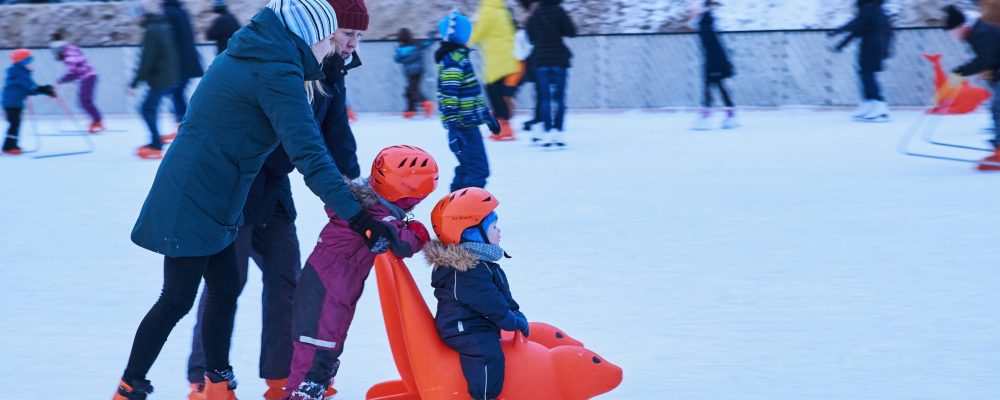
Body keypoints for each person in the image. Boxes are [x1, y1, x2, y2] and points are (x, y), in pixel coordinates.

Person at [113, 0, 405, 398]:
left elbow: (328, 141)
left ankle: (218, 383)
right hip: (197, 193)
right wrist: (359, 217)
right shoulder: (277, 70)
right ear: (313, 38)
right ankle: (132, 386)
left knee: (225, 286)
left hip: (224, 191)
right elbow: (309, 153)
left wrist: (355, 198)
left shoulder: (265, 52)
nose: (330, 53)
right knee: (177, 298)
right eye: (330, 41)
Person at [285, 146, 437, 400]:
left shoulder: (367, 207)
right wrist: (419, 231)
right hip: (324, 289)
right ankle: (300, 394)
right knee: (317, 349)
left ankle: (313, 387)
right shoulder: (375, 216)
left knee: (327, 347)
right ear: (406, 193)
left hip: (334, 287)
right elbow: (402, 244)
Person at [184, 148, 302, 400]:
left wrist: (355, 193)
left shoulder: (324, 104)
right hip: (230, 190)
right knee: (225, 286)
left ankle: (284, 375)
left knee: (287, 278)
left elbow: (335, 133)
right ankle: (205, 380)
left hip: (274, 193)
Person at [425, 187, 529, 400]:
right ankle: (484, 396)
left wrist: (516, 314)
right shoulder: (465, 271)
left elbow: (501, 296)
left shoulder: (480, 264)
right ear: (471, 233)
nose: (499, 231)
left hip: (477, 322)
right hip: (462, 328)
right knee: (488, 355)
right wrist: (510, 320)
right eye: (493, 227)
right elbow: (489, 302)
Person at [437, 10, 501, 192]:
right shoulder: (453, 61)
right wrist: (453, 127)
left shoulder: (459, 57)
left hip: (467, 125)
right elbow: (449, 95)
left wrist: (487, 116)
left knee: (467, 168)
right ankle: (467, 208)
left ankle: (453, 205)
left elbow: (472, 94)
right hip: (462, 127)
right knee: (478, 170)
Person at [942, 5, 1000, 169]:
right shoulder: (976, 32)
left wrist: (960, 72)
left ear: (961, 26)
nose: (953, 36)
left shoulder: (981, 33)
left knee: (998, 108)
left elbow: (985, 60)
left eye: (952, 31)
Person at [829, 0, 894, 122]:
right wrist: (841, 44)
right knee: (865, 73)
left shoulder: (870, 7)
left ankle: (879, 106)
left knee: (868, 74)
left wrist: (839, 31)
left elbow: (857, 24)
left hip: (873, 44)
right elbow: (858, 29)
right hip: (871, 44)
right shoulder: (870, 7)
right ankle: (869, 103)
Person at [129, 7, 180, 160]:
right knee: (150, 108)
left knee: (146, 109)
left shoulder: (152, 31)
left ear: (141, 17)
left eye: (136, 18)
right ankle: (155, 141)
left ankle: (156, 145)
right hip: (169, 76)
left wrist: (134, 83)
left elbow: (147, 59)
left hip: (161, 78)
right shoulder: (162, 26)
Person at [526, 0, 576, 145]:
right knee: (560, 98)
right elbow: (571, 31)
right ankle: (558, 132)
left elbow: (530, 37)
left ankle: (546, 132)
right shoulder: (560, 11)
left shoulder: (535, 13)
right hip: (559, 60)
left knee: (544, 98)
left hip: (540, 60)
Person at [469, 0, 521, 140]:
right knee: (499, 91)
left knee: (492, 90)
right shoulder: (502, 10)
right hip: (508, 56)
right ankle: (506, 126)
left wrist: (466, 42)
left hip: (496, 57)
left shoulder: (487, 11)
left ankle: (502, 127)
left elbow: (478, 32)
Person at [161, 0, 205, 142]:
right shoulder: (182, 12)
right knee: (177, 93)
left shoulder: (169, 14)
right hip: (189, 60)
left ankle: (186, 126)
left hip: (178, 63)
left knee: (175, 93)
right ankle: (186, 125)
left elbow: (169, 42)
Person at [2, 49, 55, 155]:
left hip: (14, 103)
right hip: (11, 103)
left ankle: (11, 145)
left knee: (15, 124)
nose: (31, 64)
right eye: (28, 61)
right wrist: (44, 90)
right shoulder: (20, 73)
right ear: (22, 62)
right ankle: (8, 147)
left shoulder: (20, 72)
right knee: (14, 124)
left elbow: (29, 89)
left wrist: (44, 89)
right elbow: (31, 87)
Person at [50, 32, 104, 133]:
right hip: (88, 76)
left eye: (56, 53)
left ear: (59, 51)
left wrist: (61, 81)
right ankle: (97, 120)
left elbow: (73, 73)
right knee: (85, 102)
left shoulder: (68, 57)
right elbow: (78, 66)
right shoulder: (71, 49)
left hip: (88, 77)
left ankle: (97, 122)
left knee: (84, 102)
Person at [393, 28, 435, 119]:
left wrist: (397, 50)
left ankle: (426, 103)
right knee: (410, 90)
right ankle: (410, 110)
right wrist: (432, 35)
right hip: (419, 71)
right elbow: (429, 43)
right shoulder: (417, 43)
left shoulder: (401, 49)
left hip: (410, 72)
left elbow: (396, 59)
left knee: (412, 90)